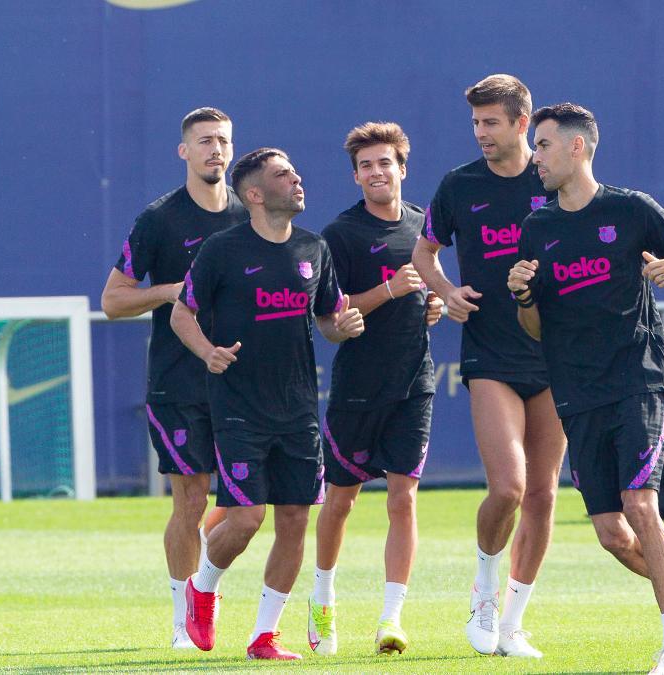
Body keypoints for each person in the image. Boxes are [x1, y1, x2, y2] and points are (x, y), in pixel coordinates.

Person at [508, 103, 664, 675]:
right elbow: (536, 328)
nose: (537, 159)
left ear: (577, 147)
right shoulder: (537, 227)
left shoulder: (631, 210)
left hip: (636, 379)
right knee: (610, 533)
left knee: (639, 503)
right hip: (576, 391)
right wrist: (524, 296)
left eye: (545, 146)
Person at [170, 148, 364, 660]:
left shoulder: (313, 247)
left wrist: (342, 326)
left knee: (295, 519)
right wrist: (207, 351)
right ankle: (203, 587)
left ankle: (264, 637)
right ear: (254, 194)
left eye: (296, 171)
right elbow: (181, 314)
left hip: (298, 409)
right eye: (283, 174)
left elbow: (327, 319)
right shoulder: (222, 250)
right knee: (247, 516)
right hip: (238, 406)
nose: (297, 179)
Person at [412, 74, 565, 658]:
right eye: (476, 123)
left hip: (555, 355)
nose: (481, 133)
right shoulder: (459, 185)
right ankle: (483, 590)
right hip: (490, 353)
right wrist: (446, 292)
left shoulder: (551, 179)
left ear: (523, 123)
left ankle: (513, 623)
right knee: (509, 487)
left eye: (492, 123)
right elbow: (424, 252)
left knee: (545, 497)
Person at [99, 107, 242, 649]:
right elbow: (112, 300)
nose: (215, 151)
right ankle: (186, 618)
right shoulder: (159, 220)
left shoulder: (248, 213)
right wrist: (167, 291)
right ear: (184, 151)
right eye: (204, 141)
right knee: (190, 498)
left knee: (246, 500)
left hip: (239, 380)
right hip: (177, 382)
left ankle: (203, 584)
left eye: (223, 142)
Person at [308, 122, 444, 657]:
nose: (376, 173)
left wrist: (432, 305)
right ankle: (322, 600)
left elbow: (430, 291)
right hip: (358, 388)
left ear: (402, 168)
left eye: (384, 162)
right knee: (339, 501)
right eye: (365, 165)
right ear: (356, 175)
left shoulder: (422, 226)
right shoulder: (340, 234)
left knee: (403, 498)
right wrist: (388, 290)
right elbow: (330, 314)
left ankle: (392, 617)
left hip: (415, 383)